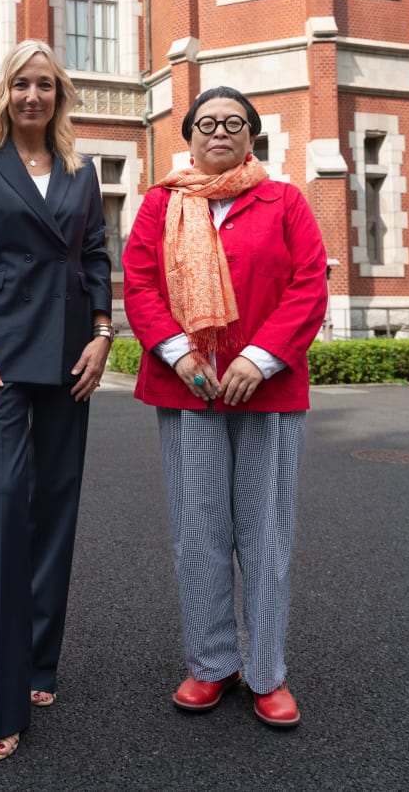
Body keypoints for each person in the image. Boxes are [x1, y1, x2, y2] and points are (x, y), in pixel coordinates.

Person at [122, 86, 327, 728]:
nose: (219, 131)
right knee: (198, 527)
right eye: (206, 122)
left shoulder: (284, 200)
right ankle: (211, 663)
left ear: (252, 134)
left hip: (268, 391)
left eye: (233, 123)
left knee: (265, 532)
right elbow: (140, 282)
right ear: (188, 136)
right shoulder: (162, 203)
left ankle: (267, 672)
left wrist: (258, 357)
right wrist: (181, 352)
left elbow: (309, 282)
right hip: (190, 387)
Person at [0, 39, 113, 760]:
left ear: (59, 95)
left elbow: (97, 253)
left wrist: (105, 334)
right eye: (21, 85)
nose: (33, 96)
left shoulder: (82, 169)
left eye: (44, 84)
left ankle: (41, 660)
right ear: (4, 94)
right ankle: (1, 699)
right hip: (2, 358)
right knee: (10, 505)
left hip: (72, 352)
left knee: (56, 508)